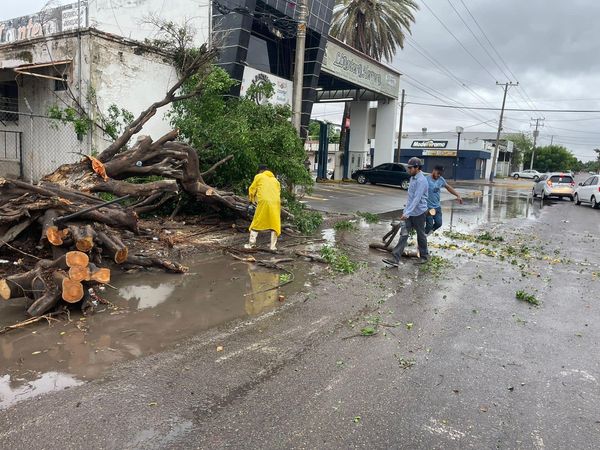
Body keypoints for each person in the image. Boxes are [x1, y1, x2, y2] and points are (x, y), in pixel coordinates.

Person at [383, 157, 429, 267]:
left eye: (410, 168)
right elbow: (410, 197)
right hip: (409, 212)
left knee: (421, 235)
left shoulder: (422, 181)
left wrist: (407, 213)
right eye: (408, 168)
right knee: (403, 234)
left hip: (419, 213)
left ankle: (424, 256)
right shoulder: (413, 178)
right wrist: (406, 210)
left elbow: (417, 199)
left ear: (417, 167)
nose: (408, 170)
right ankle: (395, 259)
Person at [245, 165, 281, 251]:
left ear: (261, 171)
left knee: (257, 222)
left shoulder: (259, 176)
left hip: (264, 202)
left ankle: (251, 244)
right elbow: (278, 192)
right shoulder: (276, 180)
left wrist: (251, 200)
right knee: (274, 224)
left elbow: (252, 189)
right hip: (276, 203)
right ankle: (273, 246)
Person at [425, 165, 463, 235]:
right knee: (429, 225)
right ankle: (422, 239)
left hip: (437, 207)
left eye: (440, 174)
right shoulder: (426, 179)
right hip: (429, 207)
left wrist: (457, 195)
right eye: (438, 173)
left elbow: (448, 187)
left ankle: (425, 236)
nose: (439, 175)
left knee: (439, 223)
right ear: (433, 170)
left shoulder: (441, 179)